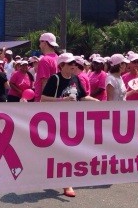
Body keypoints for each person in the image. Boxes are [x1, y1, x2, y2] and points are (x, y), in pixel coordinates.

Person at [41, 52, 98, 197]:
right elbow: (43, 98)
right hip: (57, 120)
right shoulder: (55, 79)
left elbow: (83, 97)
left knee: (69, 151)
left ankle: (66, 181)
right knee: (62, 151)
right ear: (61, 65)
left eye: (74, 63)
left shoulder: (76, 78)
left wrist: (97, 102)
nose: (73, 65)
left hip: (74, 120)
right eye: (70, 63)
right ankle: (65, 182)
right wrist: (62, 101)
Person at [34, 33, 60, 102]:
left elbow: (45, 82)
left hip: (43, 101)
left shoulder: (45, 60)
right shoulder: (58, 58)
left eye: (40, 42)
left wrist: (44, 101)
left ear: (44, 43)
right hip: (54, 97)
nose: (39, 45)